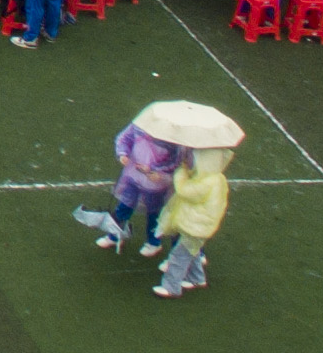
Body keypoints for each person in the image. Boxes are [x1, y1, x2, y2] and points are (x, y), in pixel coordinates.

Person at [80, 118, 181, 250]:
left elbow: (175, 161)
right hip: (133, 177)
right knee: (124, 206)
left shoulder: (172, 139)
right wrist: (123, 154)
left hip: (154, 184)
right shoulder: (140, 125)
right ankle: (115, 235)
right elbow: (124, 138)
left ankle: (153, 243)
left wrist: (155, 170)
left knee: (154, 213)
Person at [148, 147, 230, 298]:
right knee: (192, 251)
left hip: (197, 226)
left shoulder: (207, 181)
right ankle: (196, 278)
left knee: (179, 256)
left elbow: (185, 191)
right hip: (202, 226)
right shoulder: (216, 178)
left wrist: (181, 172)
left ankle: (171, 287)